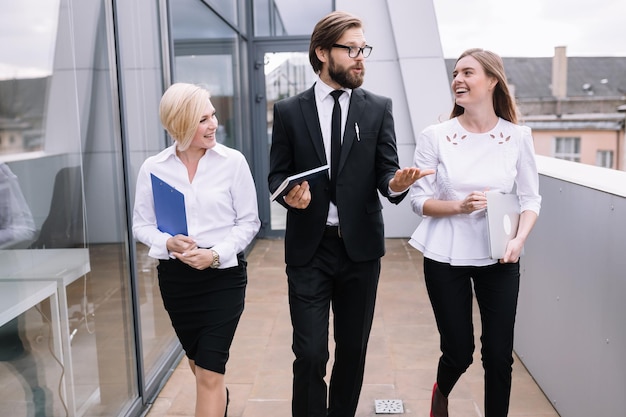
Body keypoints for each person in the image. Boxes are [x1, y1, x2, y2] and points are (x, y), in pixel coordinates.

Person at [268, 11, 434, 417]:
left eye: (364, 49)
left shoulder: (378, 107)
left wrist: (398, 183)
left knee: (353, 350)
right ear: (322, 52)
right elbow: (277, 174)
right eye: (352, 49)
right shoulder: (290, 110)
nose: (361, 57)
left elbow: (386, 172)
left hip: (360, 250)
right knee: (309, 353)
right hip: (310, 249)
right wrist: (291, 195)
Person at [408, 48, 542, 417]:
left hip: (500, 254)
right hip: (444, 255)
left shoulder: (518, 137)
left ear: (492, 81)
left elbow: (531, 199)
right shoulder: (435, 135)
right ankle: (442, 389)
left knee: (498, 355)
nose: (458, 80)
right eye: (455, 73)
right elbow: (418, 202)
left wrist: (518, 241)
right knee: (459, 351)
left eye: (468, 73)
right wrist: (458, 206)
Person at [133, 82, 260, 417]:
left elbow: (249, 223)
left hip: (224, 277)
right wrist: (167, 243)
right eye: (203, 119)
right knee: (197, 362)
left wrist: (215, 254)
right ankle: (219, 398)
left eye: (213, 115)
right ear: (181, 124)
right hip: (177, 281)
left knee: (207, 371)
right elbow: (141, 225)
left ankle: (214, 394)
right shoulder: (153, 168)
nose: (214, 124)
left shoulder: (233, 163)